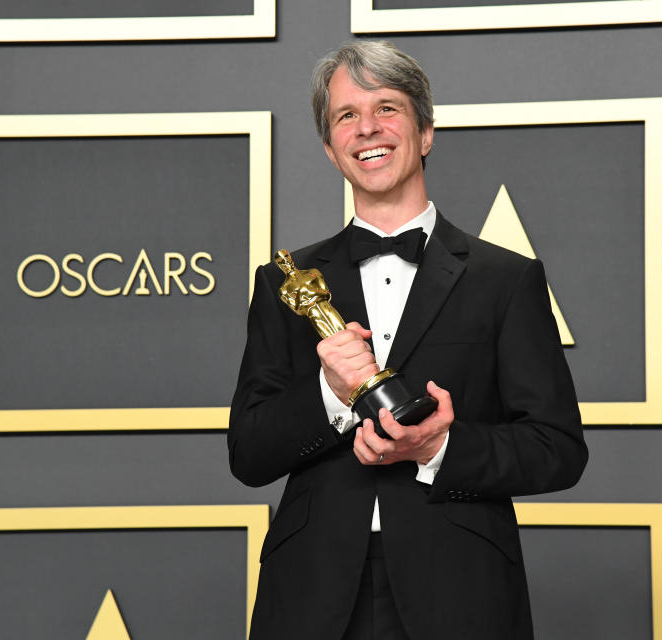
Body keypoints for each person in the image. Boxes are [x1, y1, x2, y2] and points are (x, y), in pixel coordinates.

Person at [228, 40, 588, 640]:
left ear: (424, 133)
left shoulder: (507, 278)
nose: (368, 127)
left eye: (387, 108)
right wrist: (330, 394)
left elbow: (558, 448)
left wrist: (438, 449)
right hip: (312, 591)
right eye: (347, 115)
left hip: (462, 588)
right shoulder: (284, 284)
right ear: (330, 147)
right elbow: (248, 453)